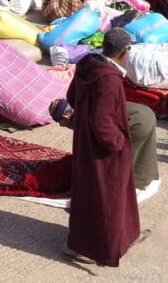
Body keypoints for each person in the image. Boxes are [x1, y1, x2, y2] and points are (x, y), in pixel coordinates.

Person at [64, 28, 150, 267]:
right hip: (103, 152)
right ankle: (97, 248)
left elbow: (72, 96)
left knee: (90, 195)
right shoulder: (108, 79)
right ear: (124, 52)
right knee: (108, 198)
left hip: (85, 143)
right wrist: (119, 143)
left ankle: (118, 238)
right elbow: (102, 123)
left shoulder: (87, 64)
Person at [50, 95, 161, 202]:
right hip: (145, 112)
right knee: (142, 150)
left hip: (135, 122)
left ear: (66, 116)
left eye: (59, 121)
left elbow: (96, 152)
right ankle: (146, 176)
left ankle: (131, 184)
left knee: (116, 159)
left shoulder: (82, 121)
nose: (60, 125)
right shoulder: (83, 106)